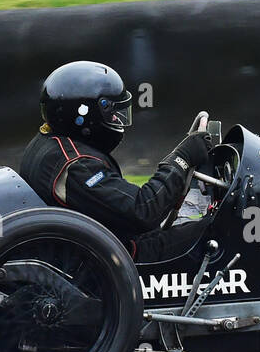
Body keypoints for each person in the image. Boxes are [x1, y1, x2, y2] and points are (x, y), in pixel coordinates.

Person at [20, 61, 215, 264]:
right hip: (112, 260)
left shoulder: (47, 144)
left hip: (92, 246)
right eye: (110, 111)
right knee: (214, 229)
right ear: (82, 116)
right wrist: (182, 159)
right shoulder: (77, 166)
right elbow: (143, 211)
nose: (115, 118)